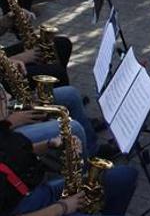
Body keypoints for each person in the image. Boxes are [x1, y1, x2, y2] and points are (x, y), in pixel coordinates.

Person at [0, 85, 138, 216]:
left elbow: (19, 151)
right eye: (2, 96)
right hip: (35, 207)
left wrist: (50, 144)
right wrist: (63, 207)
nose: (9, 95)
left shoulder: (3, 130)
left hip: (40, 190)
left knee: (125, 175)